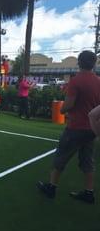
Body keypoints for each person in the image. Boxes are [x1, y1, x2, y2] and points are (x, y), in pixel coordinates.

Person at [38, 51, 100, 204]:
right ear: (94, 64)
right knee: (87, 161)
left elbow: (68, 105)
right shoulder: (98, 81)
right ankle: (89, 192)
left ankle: (51, 188)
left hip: (75, 127)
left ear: (79, 62)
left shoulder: (76, 81)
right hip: (92, 128)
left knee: (61, 157)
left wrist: (62, 109)